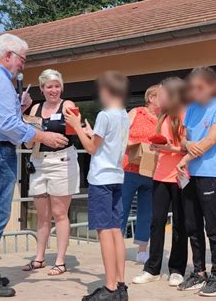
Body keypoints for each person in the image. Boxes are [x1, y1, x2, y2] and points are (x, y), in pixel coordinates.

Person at [0, 33, 69, 297]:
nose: (23, 65)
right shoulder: (0, 80)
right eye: (22, 59)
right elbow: (7, 125)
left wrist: (17, 104)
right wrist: (41, 135)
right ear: (9, 55)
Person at [65, 71, 130, 301]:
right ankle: (120, 285)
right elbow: (104, 141)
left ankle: (110, 287)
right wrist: (90, 131)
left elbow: (91, 148)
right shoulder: (123, 114)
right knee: (115, 231)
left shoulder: (105, 115)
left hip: (101, 179)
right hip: (116, 177)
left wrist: (76, 126)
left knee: (104, 232)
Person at [132, 77, 198, 288]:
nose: (157, 97)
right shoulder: (162, 116)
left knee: (180, 224)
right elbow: (165, 144)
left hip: (180, 176)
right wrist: (156, 147)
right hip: (160, 175)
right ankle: (152, 268)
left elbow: (191, 148)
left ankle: (177, 269)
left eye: (160, 93)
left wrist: (171, 149)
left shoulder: (186, 114)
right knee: (156, 222)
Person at [177, 66, 216, 297]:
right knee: (193, 225)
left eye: (200, 87)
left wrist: (187, 154)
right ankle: (199, 272)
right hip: (190, 174)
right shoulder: (191, 109)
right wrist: (187, 146)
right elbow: (184, 137)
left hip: (209, 174)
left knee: (213, 227)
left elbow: (210, 141)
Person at [22, 69, 79, 275]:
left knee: (59, 213)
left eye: (57, 85)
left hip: (62, 161)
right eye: (49, 86)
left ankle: (61, 260)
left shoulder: (68, 105)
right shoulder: (35, 108)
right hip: (39, 162)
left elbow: (76, 131)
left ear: (61, 87)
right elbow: (27, 141)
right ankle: (39, 258)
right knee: (42, 215)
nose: (53, 90)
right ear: (42, 89)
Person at [121, 84, 160, 263]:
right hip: (129, 168)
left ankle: (142, 249)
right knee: (122, 209)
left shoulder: (164, 119)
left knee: (147, 211)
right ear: (152, 98)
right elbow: (121, 134)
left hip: (151, 170)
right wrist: (132, 143)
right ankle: (117, 247)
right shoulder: (136, 112)